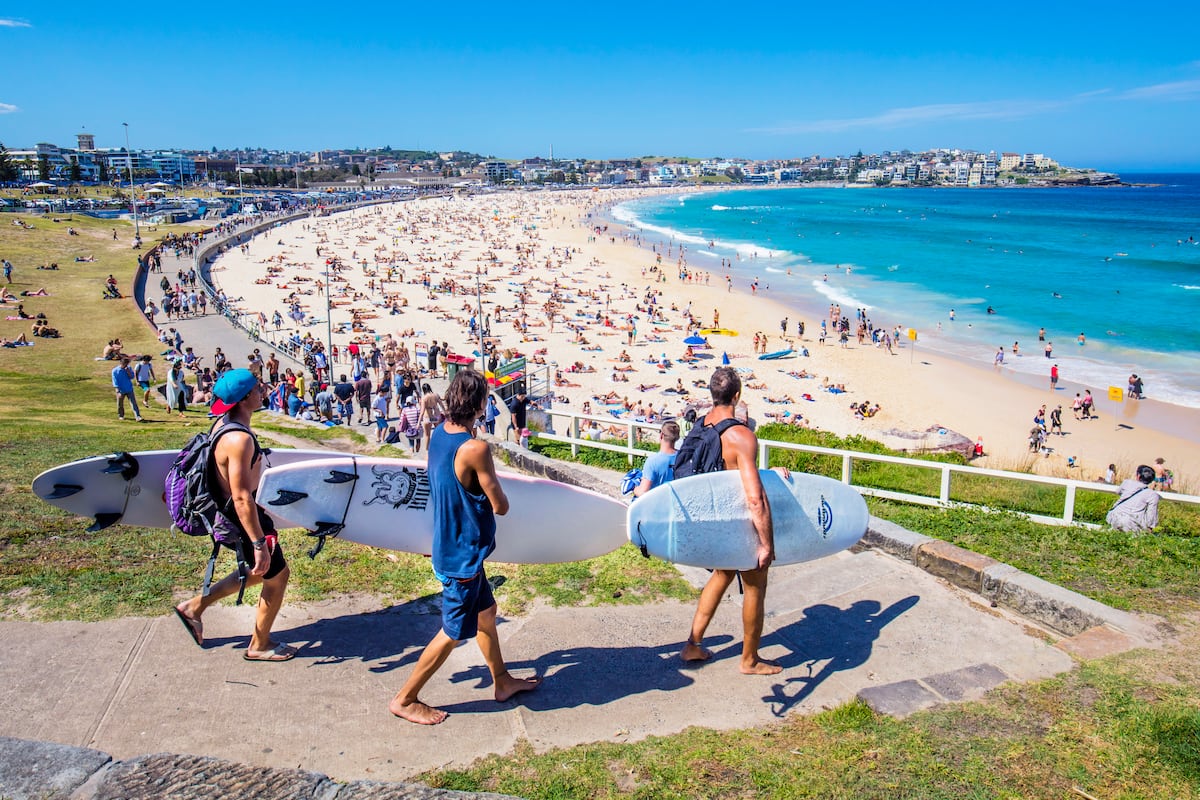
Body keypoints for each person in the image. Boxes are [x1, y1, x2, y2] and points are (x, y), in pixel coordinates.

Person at [389, 369, 539, 725]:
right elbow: (500, 505)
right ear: (481, 404)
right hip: (462, 556)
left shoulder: (440, 434)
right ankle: (405, 699)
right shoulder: (475, 448)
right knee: (453, 632)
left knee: (487, 614)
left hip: (449, 543)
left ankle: (501, 680)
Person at [173, 370, 296, 661]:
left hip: (238, 515)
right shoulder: (239, 440)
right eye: (257, 388)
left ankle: (193, 608)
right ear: (244, 399)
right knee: (276, 577)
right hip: (242, 519)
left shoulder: (224, 424)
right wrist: (257, 542)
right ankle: (259, 644)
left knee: (260, 573)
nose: (262, 390)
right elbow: (241, 496)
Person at [681, 366, 782, 675]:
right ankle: (749, 660)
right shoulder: (740, 435)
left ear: (713, 395)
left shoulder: (700, 426)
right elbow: (754, 497)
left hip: (711, 520)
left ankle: (692, 645)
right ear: (737, 396)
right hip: (738, 523)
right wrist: (766, 543)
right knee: (755, 586)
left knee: (722, 575)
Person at [1105, 464, 1161, 533]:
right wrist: (1150, 527)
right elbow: (1151, 513)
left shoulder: (1126, 482)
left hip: (1114, 517)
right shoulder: (1153, 495)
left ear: (1138, 476)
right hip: (1131, 522)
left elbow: (1118, 492)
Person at [632, 421, 680, 498]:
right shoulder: (682, 457)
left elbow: (643, 493)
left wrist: (635, 489)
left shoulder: (653, 461)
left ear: (661, 435)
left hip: (658, 503)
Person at [111, 356, 144, 422]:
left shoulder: (128, 368)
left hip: (129, 388)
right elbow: (115, 381)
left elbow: (132, 377)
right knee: (120, 404)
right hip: (121, 390)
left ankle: (137, 416)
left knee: (133, 403)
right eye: (124, 364)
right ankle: (121, 415)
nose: (125, 365)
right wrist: (117, 390)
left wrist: (128, 371)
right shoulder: (115, 371)